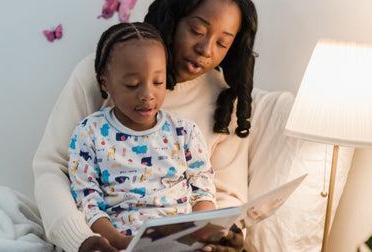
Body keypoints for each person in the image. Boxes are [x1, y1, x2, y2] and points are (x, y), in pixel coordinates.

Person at [33, 0, 257, 251]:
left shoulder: (224, 104)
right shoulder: (106, 71)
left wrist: (218, 236)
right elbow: (53, 169)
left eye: (222, 42)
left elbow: (222, 192)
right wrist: (83, 241)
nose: (206, 49)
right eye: (197, 31)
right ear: (173, 18)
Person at [68, 22, 217, 250]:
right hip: (122, 243)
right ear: (104, 82)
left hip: (181, 241)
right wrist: (118, 241)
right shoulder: (89, 133)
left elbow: (203, 189)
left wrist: (199, 234)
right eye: (132, 84)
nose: (147, 94)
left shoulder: (185, 131)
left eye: (158, 82)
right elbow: (87, 200)